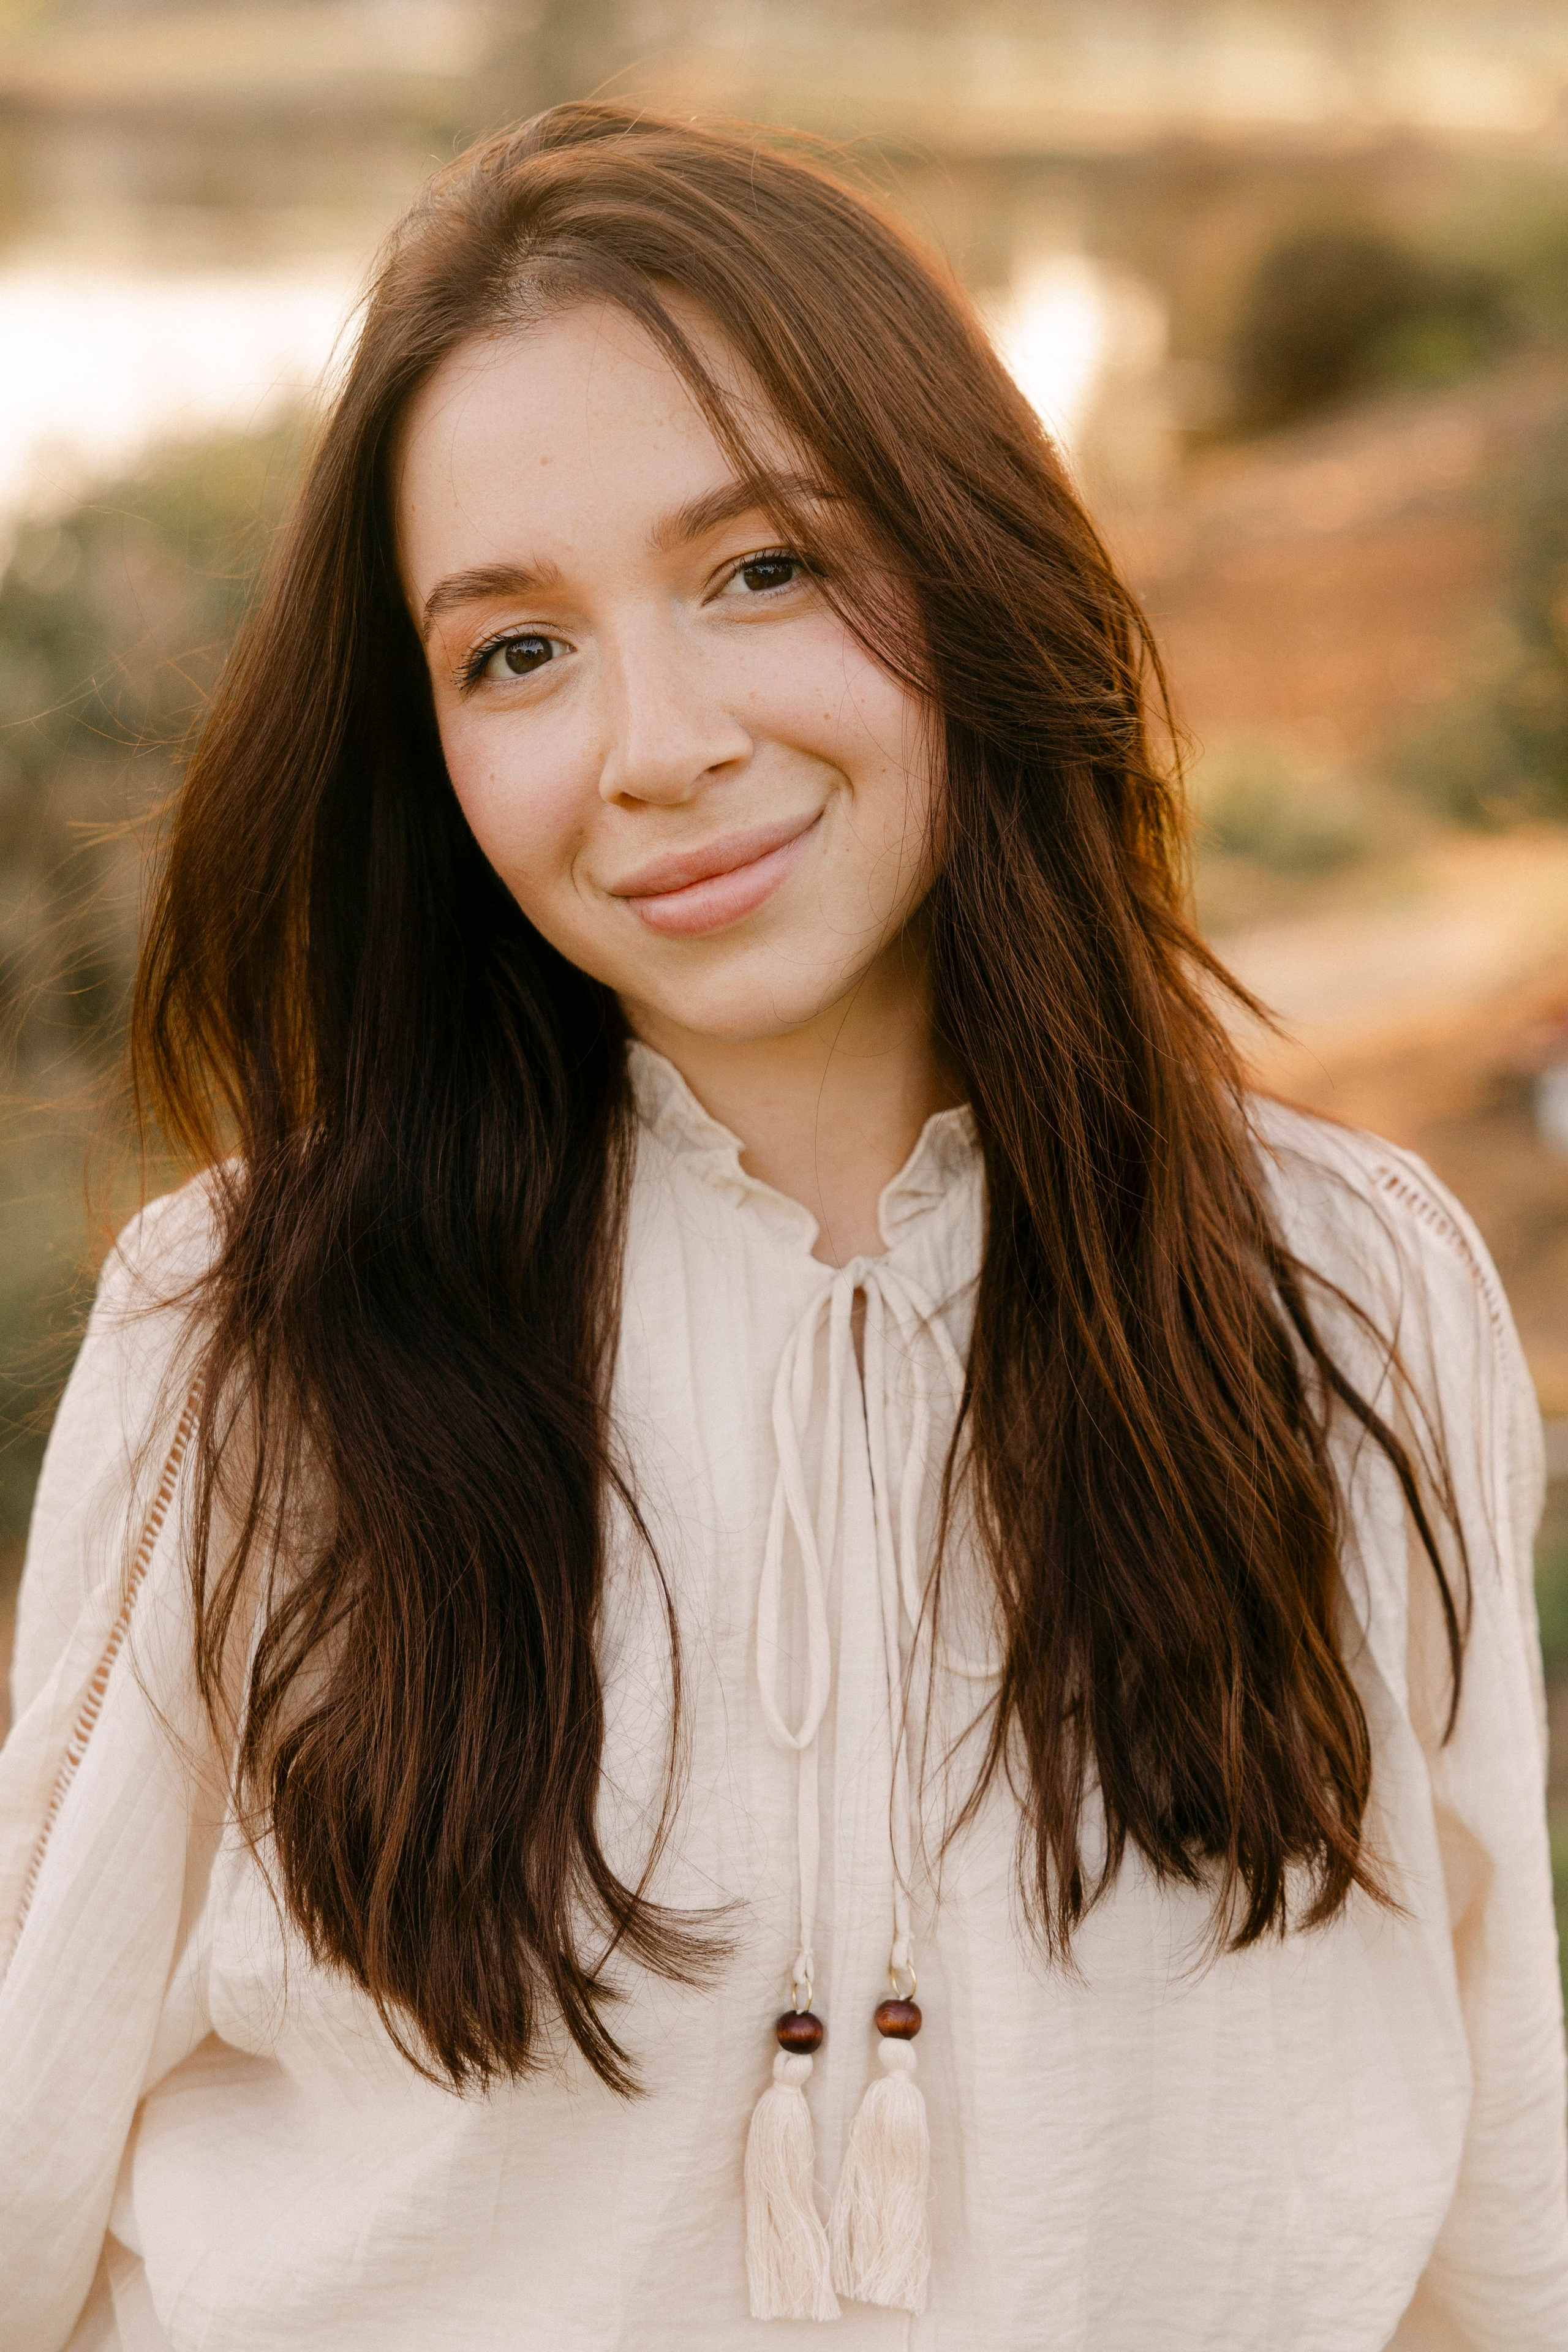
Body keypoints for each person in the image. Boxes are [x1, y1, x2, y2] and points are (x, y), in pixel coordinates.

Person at [1, 104, 1563, 2352]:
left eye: (761, 570)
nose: (655, 747)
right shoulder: (244, 1351)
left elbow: (1488, 2199)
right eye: (513, 653)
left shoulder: (1345, 1300)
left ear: (971, 552)